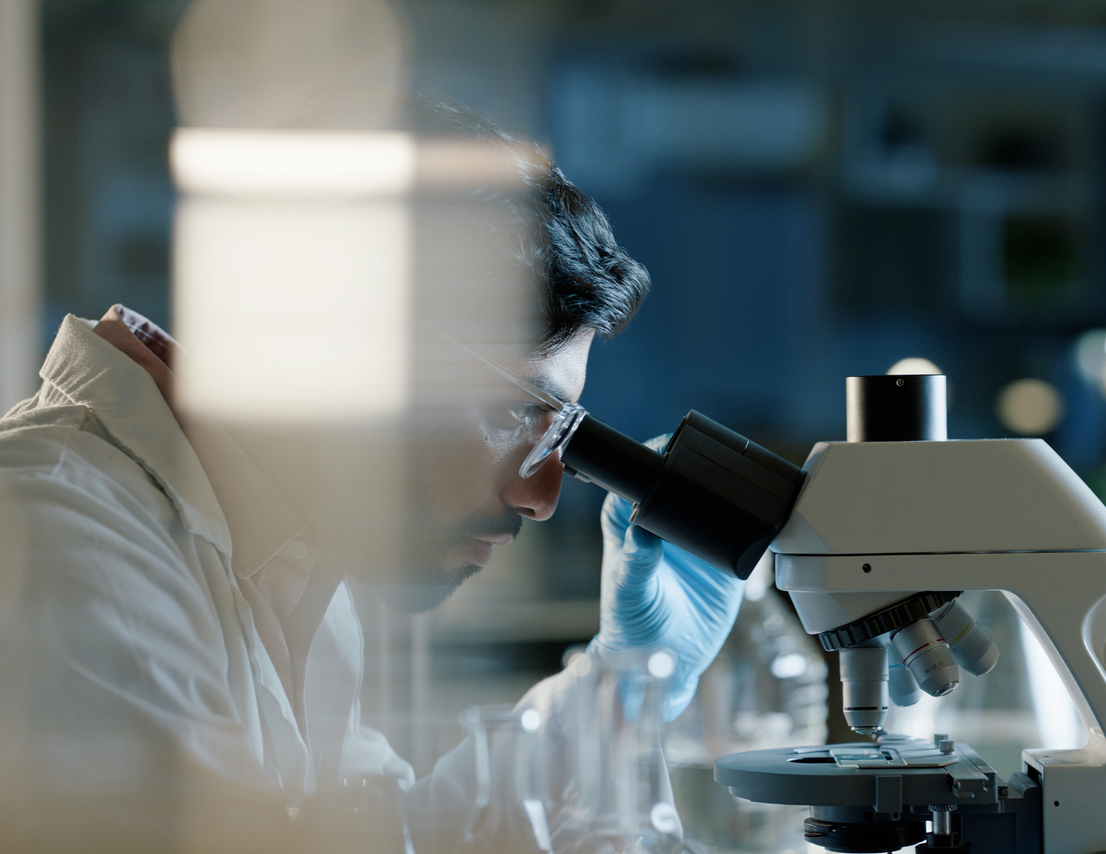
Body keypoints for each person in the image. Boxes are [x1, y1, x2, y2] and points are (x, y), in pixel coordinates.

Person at [0, 92, 745, 853]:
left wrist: (621, 687)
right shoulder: (59, 543)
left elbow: (395, 840)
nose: (540, 495)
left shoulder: (288, 558)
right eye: (523, 413)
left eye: (561, 433)